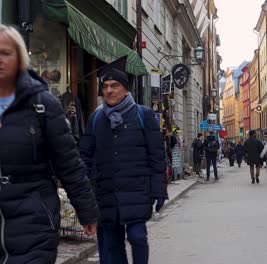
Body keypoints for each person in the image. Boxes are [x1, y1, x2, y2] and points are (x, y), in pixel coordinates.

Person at [0, 25, 98, 263]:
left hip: (33, 221)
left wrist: (86, 211)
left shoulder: (43, 104)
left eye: (5, 52)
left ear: (20, 57)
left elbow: (69, 162)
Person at [79, 68, 168, 264]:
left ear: (126, 90)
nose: (109, 90)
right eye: (105, 87)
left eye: (115, 86)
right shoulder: (96, 118)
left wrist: (159, 191)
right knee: (112, 246)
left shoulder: (143, 115)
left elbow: (157, 157)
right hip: (105, 193)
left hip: (137, 191)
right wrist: (83, 196)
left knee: (137, 237)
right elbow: (84, 157)